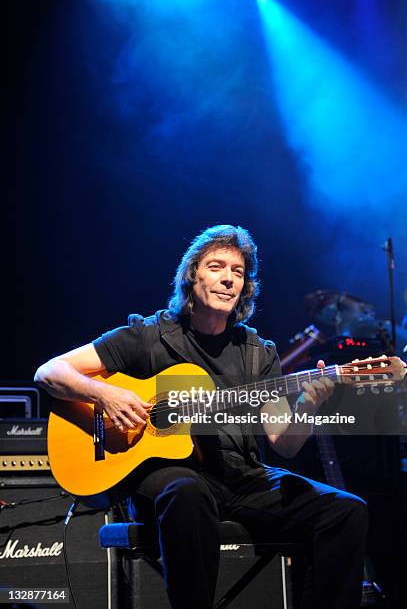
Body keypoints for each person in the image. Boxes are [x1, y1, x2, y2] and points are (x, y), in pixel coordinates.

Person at [35, 225, 370, 609]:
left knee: (346, 511)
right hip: (165, 478)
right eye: (216, 266)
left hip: (240, 476)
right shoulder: (148, 335)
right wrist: (105, 394)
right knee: (187, 491)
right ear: (193, 275)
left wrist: (309, 407)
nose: (228, 278)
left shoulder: (258, 352)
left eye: (238, 272)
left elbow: (284, 443)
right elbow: (49, 372)